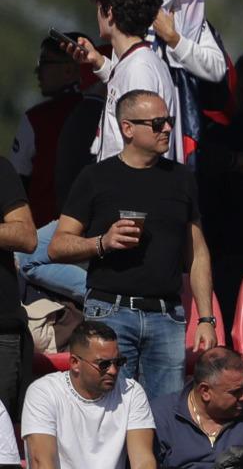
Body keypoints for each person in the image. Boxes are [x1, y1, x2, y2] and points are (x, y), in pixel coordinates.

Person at [48, 86, 218, 425]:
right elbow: (58, 245)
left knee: (164, 420)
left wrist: (206, 318)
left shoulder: (181, 179)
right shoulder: (96, 177)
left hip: (166, 316)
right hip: (110, 311)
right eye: (157, 123)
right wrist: (103, 242)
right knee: (104, 417)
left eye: (168, 121)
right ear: (128, 128)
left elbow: (197, 252)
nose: (168, 129)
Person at [21, 323, 155, 469]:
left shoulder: (132, 392)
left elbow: (143, 462)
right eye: (104, 364)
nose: (113, 371)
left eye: (118, 362)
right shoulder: (44, 392)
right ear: (74, 363)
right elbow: (42, 459)